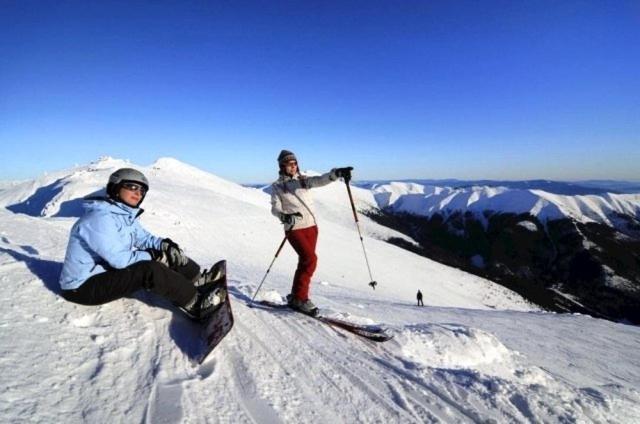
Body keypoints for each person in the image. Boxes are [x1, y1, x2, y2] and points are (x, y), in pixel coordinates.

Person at [59, 168, 225, 321]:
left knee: (168, 252)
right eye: (131, 187)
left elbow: (144, 238)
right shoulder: (98, 219)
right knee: (149, 270)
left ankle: (198, 280)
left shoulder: (123, 214)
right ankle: (196, 305)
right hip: (82, 287)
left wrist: (164, 246)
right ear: (115, 188)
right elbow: (120, 260)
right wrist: (155, 256)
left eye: (142, 190)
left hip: (103, 271)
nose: (138, 193)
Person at [270, 149, 352, 316]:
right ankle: (301, 298)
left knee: (305, 262)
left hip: (311, 227)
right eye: (289, 164)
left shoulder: (303, 181)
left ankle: (296, 296)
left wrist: (336, 173)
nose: (293, 166)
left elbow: (320, 180)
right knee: (310, 259)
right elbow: (274, 208)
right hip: (294, 229)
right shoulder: (277, 186)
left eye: (295, 163)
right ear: (282, 166)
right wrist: (284, 216)